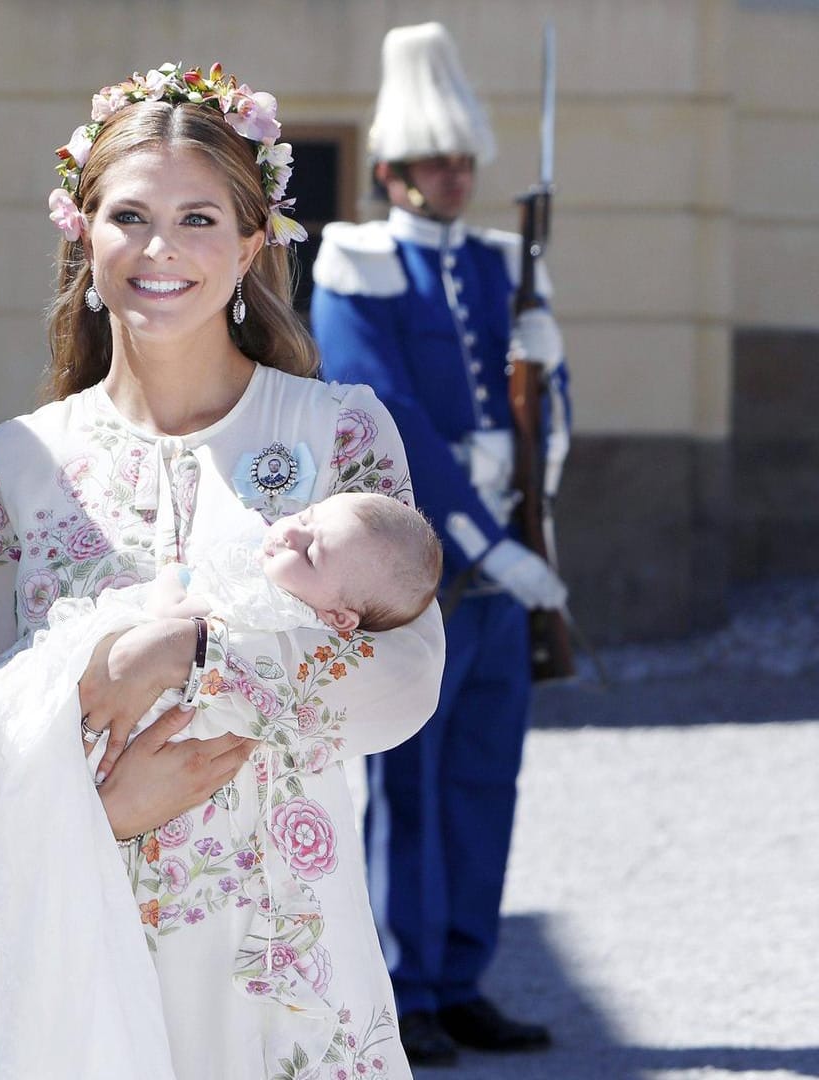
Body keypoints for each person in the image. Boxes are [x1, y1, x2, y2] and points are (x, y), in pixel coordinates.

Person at [0, 62, 448, 1079]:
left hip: (291, 969)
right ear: (81, 232)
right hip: (79, 954)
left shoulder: (339, 433)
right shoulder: (13, 464)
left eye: (198, 219)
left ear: (251, 242)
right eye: (130, 216)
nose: (160, 250)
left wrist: (192, 655)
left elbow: (402, 684)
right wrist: (97, 814)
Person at [310, 22, 572, 1065]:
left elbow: (542, 413)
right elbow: (397, 421)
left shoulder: (508, 269)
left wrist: (550, 378)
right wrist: (484, 540)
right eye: (435, 162)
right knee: (408, 780)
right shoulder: (359, 268)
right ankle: (401, 987)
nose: (456, 177)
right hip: (423, 566)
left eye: (465, 161)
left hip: (508, 557)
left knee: (484, 775)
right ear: (390, 173)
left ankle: (460, 976)